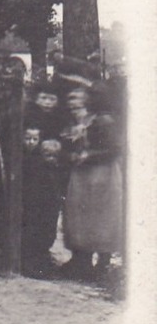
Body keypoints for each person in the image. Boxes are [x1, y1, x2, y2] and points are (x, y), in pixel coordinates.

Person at [57, 63, 123, 281]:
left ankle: (103, 263)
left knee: (103, 216)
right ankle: (81, 260)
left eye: (80, 97)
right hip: (82, 176)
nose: (75, 102)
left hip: (102, 174)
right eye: (72, 98)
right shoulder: (78, 122)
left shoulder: (104, 121)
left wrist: (90, 155)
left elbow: (114, 149)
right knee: (79, 215)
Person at [20, 86, 68, 278]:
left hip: (52, 175)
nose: (48, 102)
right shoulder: (28, 116)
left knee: (49, 215)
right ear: (35, 99)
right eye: (44, 98)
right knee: (33, 215)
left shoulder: (58, 119)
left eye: (52, 98)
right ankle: (30, 259)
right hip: (33, 175)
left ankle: (42, 256)